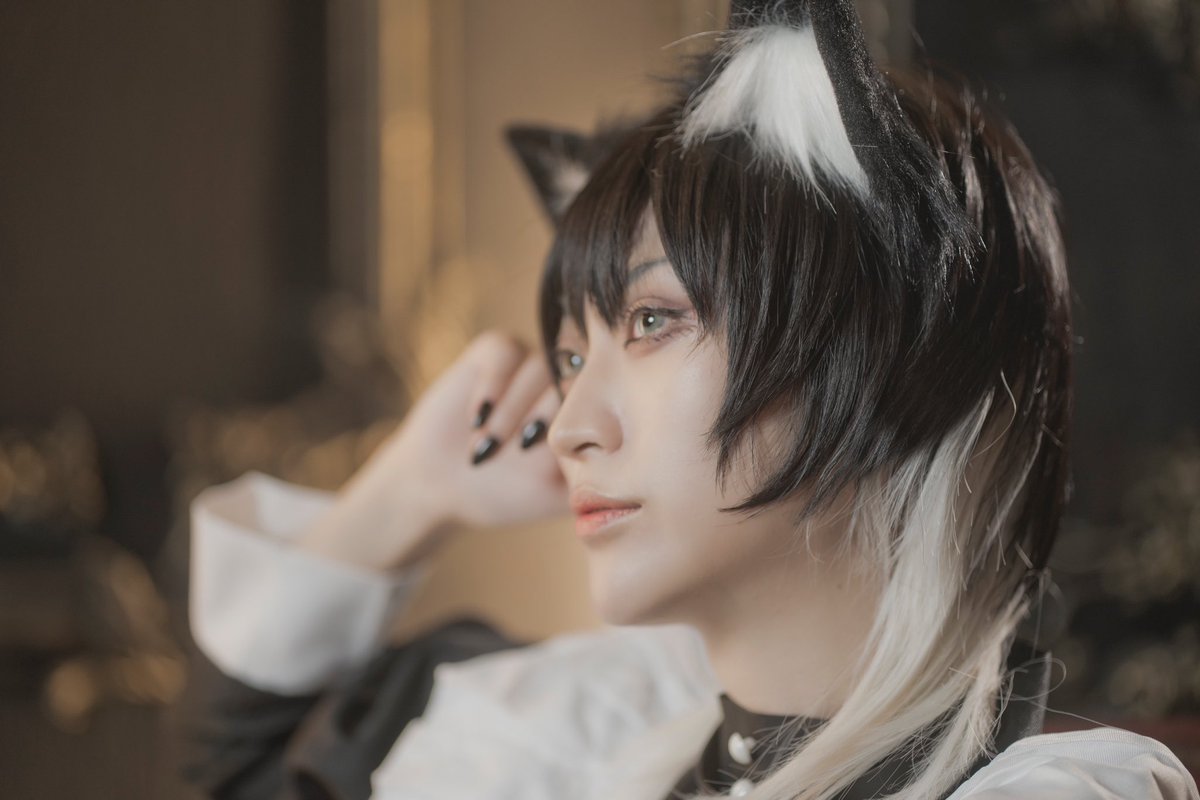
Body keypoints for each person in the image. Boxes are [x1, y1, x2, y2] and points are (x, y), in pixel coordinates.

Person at [180, 2, 1199, 799]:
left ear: (884, 349)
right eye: (569, 356)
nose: (571, 425)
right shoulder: (580, 741)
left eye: (652, 319)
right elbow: (247, 770)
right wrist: (404, 493)